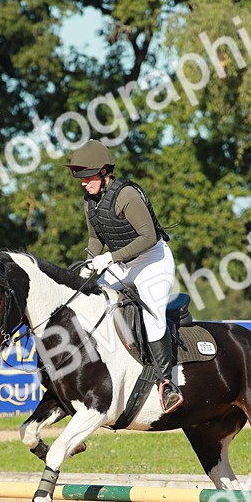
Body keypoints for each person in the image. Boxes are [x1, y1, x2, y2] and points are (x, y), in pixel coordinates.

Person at [66, 139, 183, 413]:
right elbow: (96, 239)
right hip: (121, 263)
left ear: (104, 171)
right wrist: (90, 262)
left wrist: (109, 258)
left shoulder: (126, 195)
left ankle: (167, 385)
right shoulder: (90, 202)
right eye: (81, 178)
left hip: (152, 261)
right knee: (90, 301)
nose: (83, 183)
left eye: (88, 177)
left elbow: (148, 237)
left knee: (152, 315)